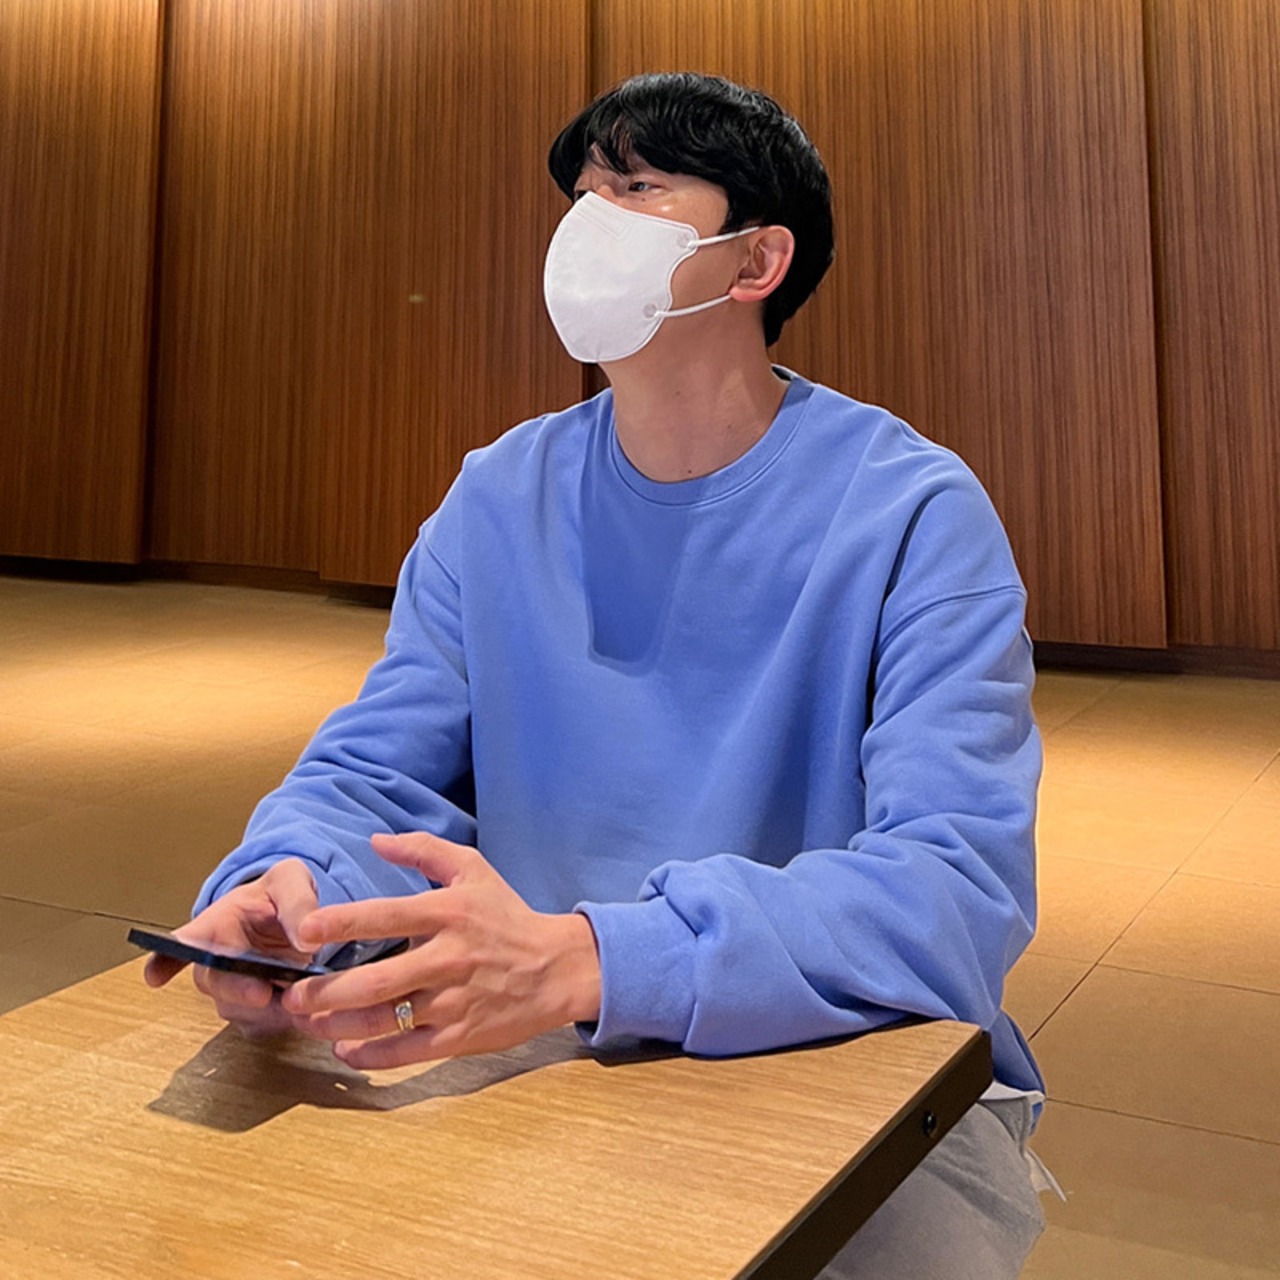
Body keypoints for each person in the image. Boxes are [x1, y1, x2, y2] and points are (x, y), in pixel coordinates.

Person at [145, 72, 1054, 1276]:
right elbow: (374, 771)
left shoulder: (910, 512)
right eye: (581, 193)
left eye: (635, 188)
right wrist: (290, 883)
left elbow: (951, 893)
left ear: (755, 260)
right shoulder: (497, 495)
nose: (587, 223)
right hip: (526, 1037)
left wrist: (597, 956)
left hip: (823, 1057)